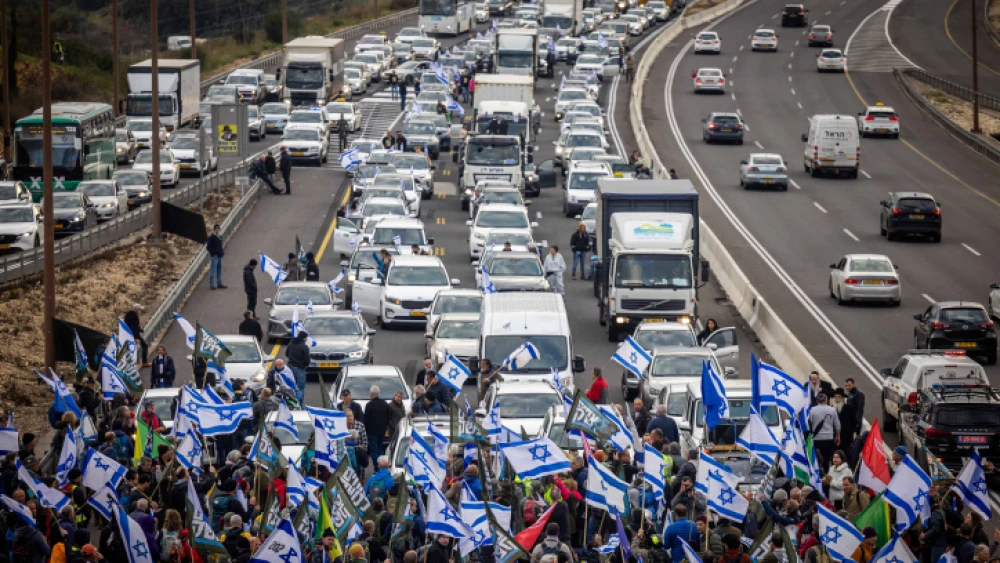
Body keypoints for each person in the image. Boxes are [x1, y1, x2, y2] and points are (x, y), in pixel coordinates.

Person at [808, 392, 840, 471]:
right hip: (829, 438)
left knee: (816, 459)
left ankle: (817, 476)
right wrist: (838, 436)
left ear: (817, 400)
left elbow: (809, 423)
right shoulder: (832, 410)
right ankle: (826, 475)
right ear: (826, 400)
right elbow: (837, 424)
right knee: (827, 459)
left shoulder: (812, 410)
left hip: (816, 438)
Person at [365, 386, 390, 462]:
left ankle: (377, 466)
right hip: (382, 431)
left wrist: (366, 430)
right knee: (380, 448)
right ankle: (382, 464)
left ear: (371, 394)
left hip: (372, 432)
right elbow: (388, 416)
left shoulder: (369, 405)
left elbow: (366, 419)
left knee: (374, 450)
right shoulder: (385, 404)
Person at [286, 332, 311, 404]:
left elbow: (286, 354)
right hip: (300, 368)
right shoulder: (304, 347)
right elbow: (307, 360)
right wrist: (305, 365)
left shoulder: (291, 344)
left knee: (292, 386)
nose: (307, 339)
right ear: (304, 338)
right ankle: (299, 404)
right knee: (301, 388)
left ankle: (291, 402)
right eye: (306, 337)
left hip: (290, 367)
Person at [207, 224, 226, 290]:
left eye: (218, 229)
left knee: (219, 270)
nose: (217, 230)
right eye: (216, 229)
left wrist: (222, 252)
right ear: (214, 230)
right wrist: (213, 253)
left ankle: (219, 283)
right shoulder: (211, 237)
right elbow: (208, 247)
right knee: (213, 270)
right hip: (215, 256)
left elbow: (220, 246)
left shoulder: (220, 236)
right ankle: (211, 284)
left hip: (220, 255)